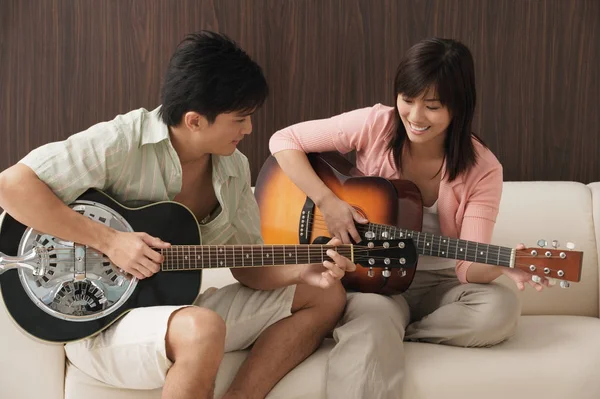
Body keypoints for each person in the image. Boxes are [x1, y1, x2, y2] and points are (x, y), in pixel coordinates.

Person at [0, 31, 355, 399]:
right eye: (240, 119)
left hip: (173, 309)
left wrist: (303, 269)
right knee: (202, 328)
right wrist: (110, 241)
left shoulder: (234, 169)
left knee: (327, 297)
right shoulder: (122, 141)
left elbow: (250, 266)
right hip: (98, 322)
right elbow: (10, 186)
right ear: (195, 120)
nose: (249, 129)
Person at [269, 37, 551, 399]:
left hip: (440, 286)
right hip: (375, 281)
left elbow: (467, 267)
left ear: (458, 107)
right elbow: (284, 140)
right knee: (373, 319)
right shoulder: (375, 124)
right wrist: (327, 201)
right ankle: (381, 324)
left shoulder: (483, 169)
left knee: (501, 309)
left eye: (432, 106)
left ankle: (401, 328)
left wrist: (504, 264)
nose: (415, 117)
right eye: (407, 99)